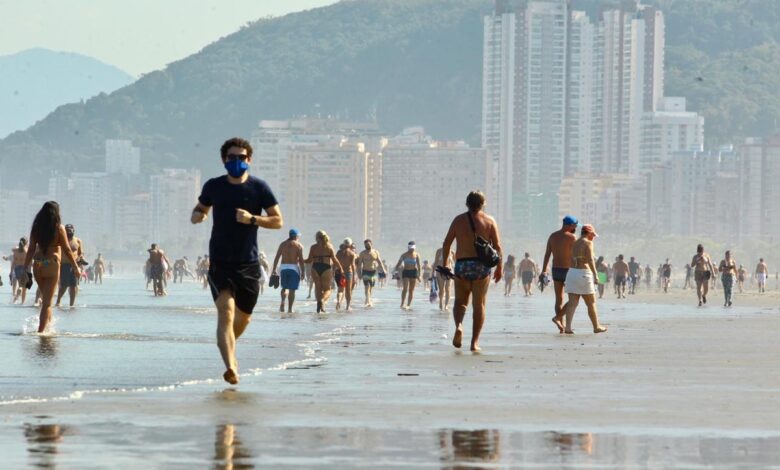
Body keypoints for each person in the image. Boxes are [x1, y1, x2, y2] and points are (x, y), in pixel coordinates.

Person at [191, 136, 283, 385]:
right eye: (232, 157)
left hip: (248, 263)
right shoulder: (214, 186)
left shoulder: (259, 188)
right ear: (224, 160)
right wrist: (197, 215)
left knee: (243, 318)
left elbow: (278, 221)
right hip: (220, 262)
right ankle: (230, 367)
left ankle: (229, 348)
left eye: (241, 158)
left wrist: (253, 219)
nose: (237, 161)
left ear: (249, 160)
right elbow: (200, 209)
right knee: (226, 311)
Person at [441, 190, 502, 352]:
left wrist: (445, 264)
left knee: (460, 302)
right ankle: (474, 342)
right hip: (481, 267)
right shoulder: (489, 221)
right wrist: (500, 268)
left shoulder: (458, 220)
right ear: (483, 204)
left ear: (467, 203)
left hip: (462, 265)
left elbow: (446, 243)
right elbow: (497, 246)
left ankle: (459, 326)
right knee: (479, 304)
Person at [19, 202, 80, 333]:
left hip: (38, 264)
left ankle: (49, 327)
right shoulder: (59, 228)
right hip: (51, 264)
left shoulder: (36, 227)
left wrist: (25, 268)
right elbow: (67, 250)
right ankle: (40, 334)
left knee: (47, 300)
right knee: (47, 303)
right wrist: (76, 267)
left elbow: (31, 249)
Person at [562, 225, 607, 335]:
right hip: (583, 273)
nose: (593, 238)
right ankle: (596, 327)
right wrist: (596, 275)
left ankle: (567, 328)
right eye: (593, 235)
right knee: (591, 302)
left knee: (572, 302)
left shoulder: (575, 242)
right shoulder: (588, 243)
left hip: (572, 273)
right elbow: (590, 259)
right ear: (589, 233)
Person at [542, 215, 578, 333]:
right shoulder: (572, 237)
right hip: (568, 271)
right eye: (574, 226)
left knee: (559, 299)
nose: (575, 228)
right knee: (573, 299)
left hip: (556, 270)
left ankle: (561, 325)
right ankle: (560, 320)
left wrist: (543, 270)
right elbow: (577, 256)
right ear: (569, 225)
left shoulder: (553, 236)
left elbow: (547, 254)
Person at [304, 231, 342, 313]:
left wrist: (301, 260)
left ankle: (319, 304)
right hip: (326, 268)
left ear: (317, 237)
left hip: (315, 268)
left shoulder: (313, 247)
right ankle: (322, 301)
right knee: (328, 289)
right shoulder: (329, 246)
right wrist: (341, 269)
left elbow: (309, 260)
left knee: (318, 288)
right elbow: (334, 260)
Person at [272, 228, 305, 314]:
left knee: (284, 287)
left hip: (283, 267)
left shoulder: (282, 244)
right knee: (292, 289)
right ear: (295, 236)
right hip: (293, 268)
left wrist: (274, 269)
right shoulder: (298, 245)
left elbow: (277, 257)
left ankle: (283, 302)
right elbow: (301, 260)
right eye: (298, 236)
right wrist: (303, 271)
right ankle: (290, 309)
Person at [55, 224, 83, 308]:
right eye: (67, 230)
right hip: (64, 265)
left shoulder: (78, 241)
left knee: (73, 286)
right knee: (64, 285)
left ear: (73, 230)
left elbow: (80, 253)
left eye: (70, 229)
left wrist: (80, 263)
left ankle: (72, 304)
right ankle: (58, 301)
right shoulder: (61, 241)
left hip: (75, 265)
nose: (69, 231)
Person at [356, 239, 387, 308]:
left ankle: (368, 299)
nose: (367, 246)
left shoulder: (375, 252)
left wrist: (384, 270)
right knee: (367, 286)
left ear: (371, 244)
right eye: (366, 245)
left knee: (371, 288)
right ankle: (368, 301)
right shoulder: (362, 253)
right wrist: (359, 273)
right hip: (365, 271)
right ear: (364, 245)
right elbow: (359, 265)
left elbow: (379, 262)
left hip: (373, 272)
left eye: (368, 244)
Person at [395, 242, 422, 310]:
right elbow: (398, 264)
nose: (411, 250)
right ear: (408, 247)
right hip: (406, 272)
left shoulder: (416, 255)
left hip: (413, 272)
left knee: (411, 290)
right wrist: (395, 272)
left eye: (413, 248)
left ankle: (408, 305)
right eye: (410, 248)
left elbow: (419, 266)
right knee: (405, 289)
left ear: (414, 248)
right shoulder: (403, 255)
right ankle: (402, 303)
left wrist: (419, 275)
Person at [335, 239, 357, 311]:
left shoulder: (339, 252)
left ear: (343, 244)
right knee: (348, 290)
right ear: (350, 245)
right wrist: (354, 276)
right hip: (348, 273)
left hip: (339, 272)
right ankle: (348, 306)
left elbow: (335, 262)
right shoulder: (352, 253)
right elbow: (353, 265)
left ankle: (338, 301)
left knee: (340, 289)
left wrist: (332, 272)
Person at [10, 238, 29, 304]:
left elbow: (13, 263)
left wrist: (11, 271)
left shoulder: (15, 251)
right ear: (26, 244)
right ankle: (22, 302)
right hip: (24, 269)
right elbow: (29, 263)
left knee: (20, 285)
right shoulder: (26, 251)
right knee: (23, 288)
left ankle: (15, 300)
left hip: (17, 269)